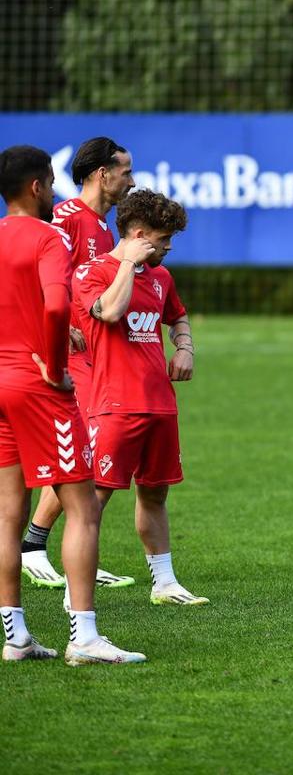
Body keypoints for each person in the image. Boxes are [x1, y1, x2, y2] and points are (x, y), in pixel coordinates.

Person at [0, 144, 144, 665]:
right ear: (37, 186)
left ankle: (15, 636)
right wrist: (54, 360)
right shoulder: (50, 236)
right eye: (50, 180)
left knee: (7, 512)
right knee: (83, 508)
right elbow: (58, 303)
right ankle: (84, 638)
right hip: (38, 384)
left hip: (0, 381)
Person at [74, 188, 205, 606]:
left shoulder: (162, 277)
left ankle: (164, 583)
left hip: (159, 404)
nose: (168, 247)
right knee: (94, 499)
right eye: (163, 239)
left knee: (155, 492)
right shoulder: (91, 273)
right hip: (113, 406)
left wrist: (184, 346)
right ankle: (76, 591)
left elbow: (176, 314)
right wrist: (127, 264)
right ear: (138, 233)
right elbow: (110, 312)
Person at [21, 137, 137, 590]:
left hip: (92, 358)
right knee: (77, 454)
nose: (131, 179)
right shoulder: (65, 218)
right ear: (102, 174)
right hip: (61, 357)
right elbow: (33, 269)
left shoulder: (105, 229)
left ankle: (53, 549)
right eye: (125, 171)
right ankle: (35, 547)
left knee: (82, 456)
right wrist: (55, 325)